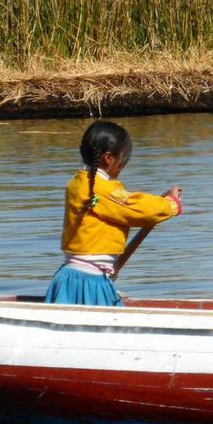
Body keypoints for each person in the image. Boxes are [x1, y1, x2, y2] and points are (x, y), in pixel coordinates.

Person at [45, 121, 182, 306]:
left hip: (74, 276)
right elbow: (138, 209)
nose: (124, 164)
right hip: (88, 280)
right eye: (123, 158)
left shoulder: (78, 183)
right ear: (108, 158)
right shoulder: (99, 190)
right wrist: (170, 203)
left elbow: (131, 206)